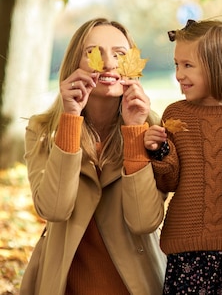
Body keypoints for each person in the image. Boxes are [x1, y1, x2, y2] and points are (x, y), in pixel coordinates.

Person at [21, 18, 167, 295]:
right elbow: (53, 209)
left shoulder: (153, 129)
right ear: (75, 63)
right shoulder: (42, 130)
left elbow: (144, 221)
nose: (109, 63)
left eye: (120, 54)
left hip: (135, 286)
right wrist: (70, 120)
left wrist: (135, 132)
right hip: (63, 285)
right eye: (94, 52)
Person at [143, 18, 222, 294]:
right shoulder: (175, 115)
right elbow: (169, 182)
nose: (179, 74)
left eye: (188, 65)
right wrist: (159, 150)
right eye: (176, 65)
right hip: (186, 246)